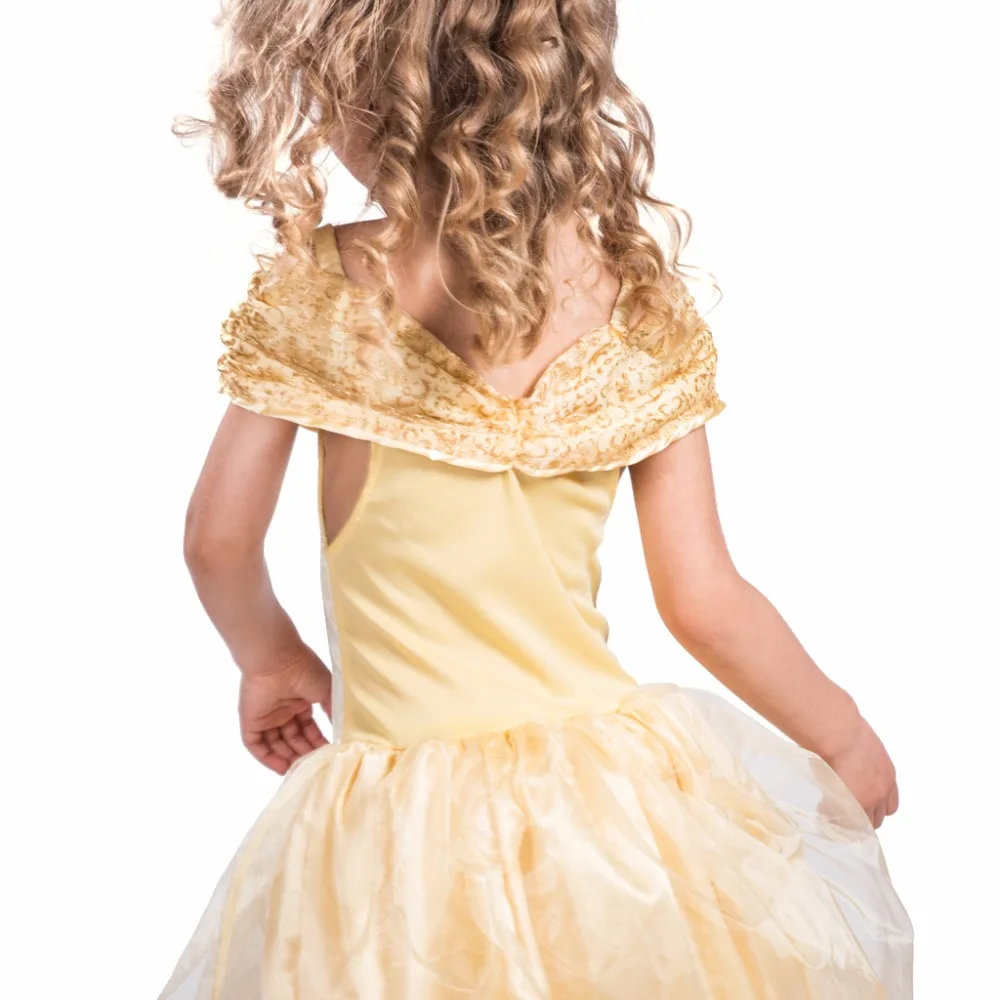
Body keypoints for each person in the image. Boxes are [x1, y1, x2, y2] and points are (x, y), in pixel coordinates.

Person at [160, 1, 913, 997]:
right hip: (604, 814)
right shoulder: (635, 300)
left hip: (403, 824)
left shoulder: (328, 289)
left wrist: (271, 659)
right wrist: (841, 735)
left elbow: (216, 541)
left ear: (372, 99)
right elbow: (704, 598)